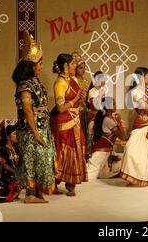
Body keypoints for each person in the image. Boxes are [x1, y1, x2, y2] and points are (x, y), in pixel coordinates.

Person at [12, 31, 56, 203]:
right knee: (31, 159)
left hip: (41, 128)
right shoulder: (24, 85)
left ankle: (37, 191)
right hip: (30, 130)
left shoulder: (36, 82)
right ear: (31, 66)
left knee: (42, 158)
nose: (41, 66)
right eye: (39, 63)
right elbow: (28, 110)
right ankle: (30, 194)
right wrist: (35, 132)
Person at [51, 53, 88, 196]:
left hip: (75, 120)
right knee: (63, 152)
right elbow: (60, 108)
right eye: (72, 64)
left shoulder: (74, 79)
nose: (75, 66)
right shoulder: (60, 83)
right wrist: (75, 100)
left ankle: (71, 183)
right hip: (63, 122)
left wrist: (80, 98)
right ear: (65, 66)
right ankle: (55, 181)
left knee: (76, 150)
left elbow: (77, 100)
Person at [88, 96, 128, 180]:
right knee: (90, 175)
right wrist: (119, 121)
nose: (115, 106)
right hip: (101, 152)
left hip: (107, 151)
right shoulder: (108, 120)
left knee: (120, 165)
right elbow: (123, 136)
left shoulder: (111, 119)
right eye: (113, 104)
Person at [72, 52, 93, 159]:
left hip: (84, 113)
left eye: (84, 68)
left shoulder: (87, 82)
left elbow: (88, 100)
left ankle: (84, 157)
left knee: (85, 135)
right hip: (73, 113)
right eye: (80, 68)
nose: (83, 70)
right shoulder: (71, 81)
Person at [86, 71, 108, 157]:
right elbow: (95, 106)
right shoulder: (92, 91)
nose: (105, 81)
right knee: (92, 136)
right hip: (93, 117)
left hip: (100, 117)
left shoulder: (102, 90)